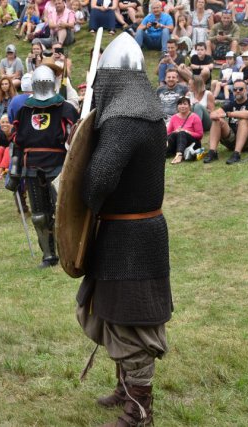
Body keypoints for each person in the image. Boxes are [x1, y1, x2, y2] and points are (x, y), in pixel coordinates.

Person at [74, 33, 171, 427]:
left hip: (130, 238)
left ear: (109, 78)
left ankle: (139, 410)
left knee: (132, 319)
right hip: (132, 233)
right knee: (114, 313)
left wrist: (80, 202)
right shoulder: (146, 109)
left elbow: (98, 178)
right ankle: (125, 387)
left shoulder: (125, 118)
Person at [6, 65, 79, 268]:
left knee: (62, 213)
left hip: (58, 167)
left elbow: (76, 141)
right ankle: (48, 255)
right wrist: (14, 172)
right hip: (32, 168)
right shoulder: (25, 111)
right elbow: (18, 144)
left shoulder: (66, 109)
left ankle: (68, 253)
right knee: (39, 216)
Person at [204, 79, 248, 164]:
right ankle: (212, 152)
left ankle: (236, 154)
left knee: (243, 121)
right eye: (235, 89)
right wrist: (216, 115)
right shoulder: (230, 104)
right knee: (217, 121)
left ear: (246, 90)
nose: (237, 91)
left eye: (240, 89)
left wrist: (228, 114)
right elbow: (213, 115)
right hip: (232, 140)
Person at [167, 97, 204, 164]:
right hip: (178, 142)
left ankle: (179, 155)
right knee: (174, 134)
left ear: (189, 106)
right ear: (177, 106)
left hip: (192, 143)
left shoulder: (195, 117)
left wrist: (188, 132)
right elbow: (168, 134)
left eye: (185, 104)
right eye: (180, 104)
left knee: (182, 133)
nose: (182, 106)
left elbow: (200, 135)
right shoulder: (174, 117)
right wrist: (175, 131)